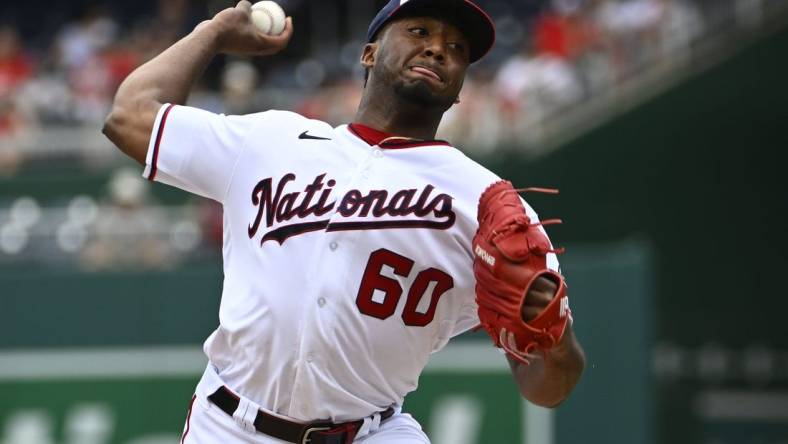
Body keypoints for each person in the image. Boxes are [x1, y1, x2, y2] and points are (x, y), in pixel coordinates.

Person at [102, 1, 585, 443]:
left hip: (372, 432)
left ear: (460, 89)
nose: (438, 48)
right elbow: (128, 118)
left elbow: (547, 387)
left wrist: (552, 334)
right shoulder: (273, 140)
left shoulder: (485, 202)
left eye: (457, 48)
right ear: (369, 53)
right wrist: (212, 32)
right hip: (230, 425)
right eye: (419, 31)